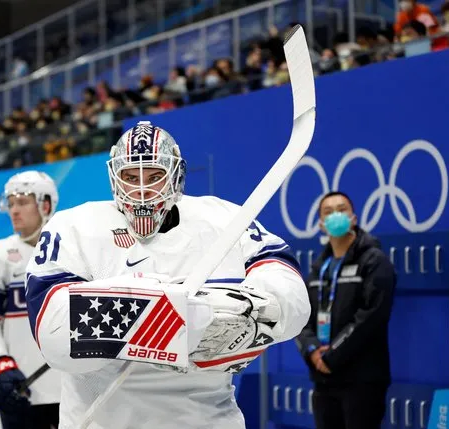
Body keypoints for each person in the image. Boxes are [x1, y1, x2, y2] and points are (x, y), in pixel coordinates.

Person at [24, 120, 311, 429]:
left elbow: (292, 297)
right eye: (131, 177)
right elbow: (56, 337)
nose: (143, 189)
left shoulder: (224, 218)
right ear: (114, 177)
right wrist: (178, 317)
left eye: (155, 175)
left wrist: (253, 310)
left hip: (209, 420)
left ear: (176, 175)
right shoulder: (72, 228)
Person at [0, 171, 62, 429]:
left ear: (45, 204)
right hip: (24, 389)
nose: (14, 211)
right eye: (10, 204)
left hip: (76, 390)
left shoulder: (75, 248)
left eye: (22, 202)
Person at [295, 191, 396, 429]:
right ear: (320, 224)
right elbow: (302, 317)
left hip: (362, 379)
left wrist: (332, 355)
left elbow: (372, 316)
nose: (335, 216)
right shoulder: (320, 268)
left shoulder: (373, 261)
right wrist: (312, 351)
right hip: (323, 379)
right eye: (328, 212)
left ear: (353, 218)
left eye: (342, 210)